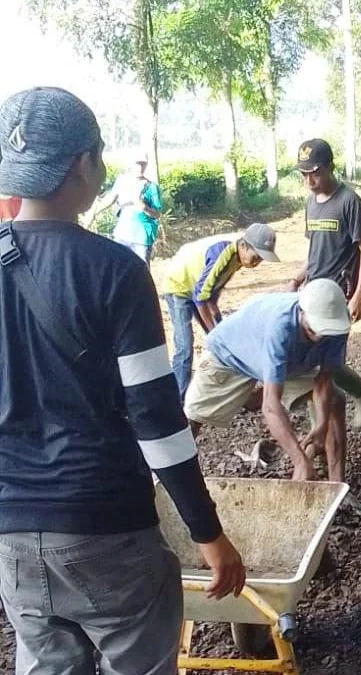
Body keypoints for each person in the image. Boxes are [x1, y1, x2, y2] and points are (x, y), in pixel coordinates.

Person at [0, 86, 244, 673]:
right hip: (106, 528)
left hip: (10, 535)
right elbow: (157, 420)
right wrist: (208, 533)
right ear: (82, 164)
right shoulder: (116, 270)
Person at [185, 279, 352, 482]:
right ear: (301, 311)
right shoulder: (280, 326)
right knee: (191, 418)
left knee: (335, 400)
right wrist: (300, 461)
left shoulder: (337, 327)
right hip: (229, 356)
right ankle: (172, 478)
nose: (318, 337)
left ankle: (338, 488)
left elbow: (323, 381)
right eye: (312, 330)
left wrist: (321, 426)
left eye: (323, 331)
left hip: (289, 362)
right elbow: (271, 405)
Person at [287, 138, 361, 430]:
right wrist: (297, 278)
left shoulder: (349, 202)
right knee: (316, 362)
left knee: (325, 365)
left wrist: (359, 296)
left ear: (329, 168)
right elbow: (315, 252)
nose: (309, 181)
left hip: (337, 295)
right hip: (310, 294)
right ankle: (333, 419)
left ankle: (353, 401)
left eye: (314, 172)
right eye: (303, 174)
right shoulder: (310, 205)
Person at [161, 224, 280, 402]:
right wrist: (215, 331)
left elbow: (212, 292)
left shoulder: (238, 258)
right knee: (185, 347)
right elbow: (200, 297)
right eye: (256, 256)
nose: (257, 263)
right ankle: (179, 399)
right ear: (244, 246)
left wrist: (218, 323)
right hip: (179, 287)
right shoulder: (223, 253)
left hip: (196, 289)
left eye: (261, 260)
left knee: (220, 335)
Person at [91, 151, 163, 264]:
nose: (140, 167)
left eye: (143, 164)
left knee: (141, 270)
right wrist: (94, 213)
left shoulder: (152, 187)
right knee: (119, 268)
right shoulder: (122, 181)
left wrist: (143, 207)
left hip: (142, 238)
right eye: (137, 164)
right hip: (122, 234)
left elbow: (157, 214)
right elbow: (111, 198)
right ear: (131, 164)